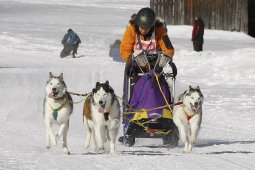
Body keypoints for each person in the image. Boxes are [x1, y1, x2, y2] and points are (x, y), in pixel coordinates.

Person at [120, 7, 176, 111]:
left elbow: (169, 49)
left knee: (162, 86)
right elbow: (125, 48)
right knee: (137, 88)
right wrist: (129, 60)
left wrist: (163, 61)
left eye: (146, 28)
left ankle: (164, 109)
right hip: (137, 68)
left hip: (156, 68)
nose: (143, 30)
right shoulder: (131, 30)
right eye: (141, 27)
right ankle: (133, 110)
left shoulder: (159, 31)